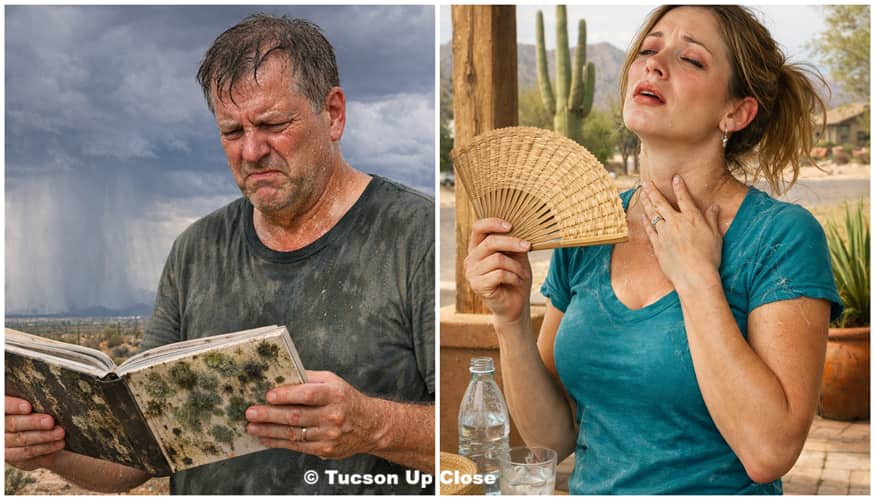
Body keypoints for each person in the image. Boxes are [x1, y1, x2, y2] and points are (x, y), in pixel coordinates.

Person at [5, 14, 434, 495]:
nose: (251, 151)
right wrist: (48, 448)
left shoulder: (417, 237)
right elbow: (136, 463)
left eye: (273, 124)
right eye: (232, 132)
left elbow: (475, 440)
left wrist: (373, 425)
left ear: (333, 113)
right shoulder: (196, 250)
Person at [464, 5, 843, 495]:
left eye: (691, 59)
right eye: (648, 48)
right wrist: (510, 322)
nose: (654, 64)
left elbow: (768, 453)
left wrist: (697, 280)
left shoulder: (781, 236)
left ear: (736, 111)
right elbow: (553, 439)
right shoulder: (589, 233)